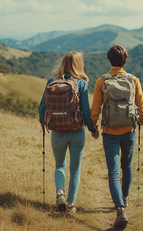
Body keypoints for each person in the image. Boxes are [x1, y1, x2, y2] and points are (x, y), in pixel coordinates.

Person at [90, 45, 143, 228]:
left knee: (114, 171)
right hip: (129, 130)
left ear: (109, 60)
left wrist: (94, 127)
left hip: (110, 132)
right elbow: (142, 107)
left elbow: (95, 110)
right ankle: (125, 198)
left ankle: (120, 209)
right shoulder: (133, 80)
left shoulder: (102, 81)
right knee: (127, 165)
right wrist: (141, 120)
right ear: (125, 60)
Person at [38, 51, 99, 213]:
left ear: (63, 63)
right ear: (79, 65)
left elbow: (41, 109)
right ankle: (71, 204)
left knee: (59, 165)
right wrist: (93, 129)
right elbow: (86, 112)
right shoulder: (81, 84)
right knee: (75, 169)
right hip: (76, 132)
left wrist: (44, 122)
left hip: (57, 132)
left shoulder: (52, 82)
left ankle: (60, 193)